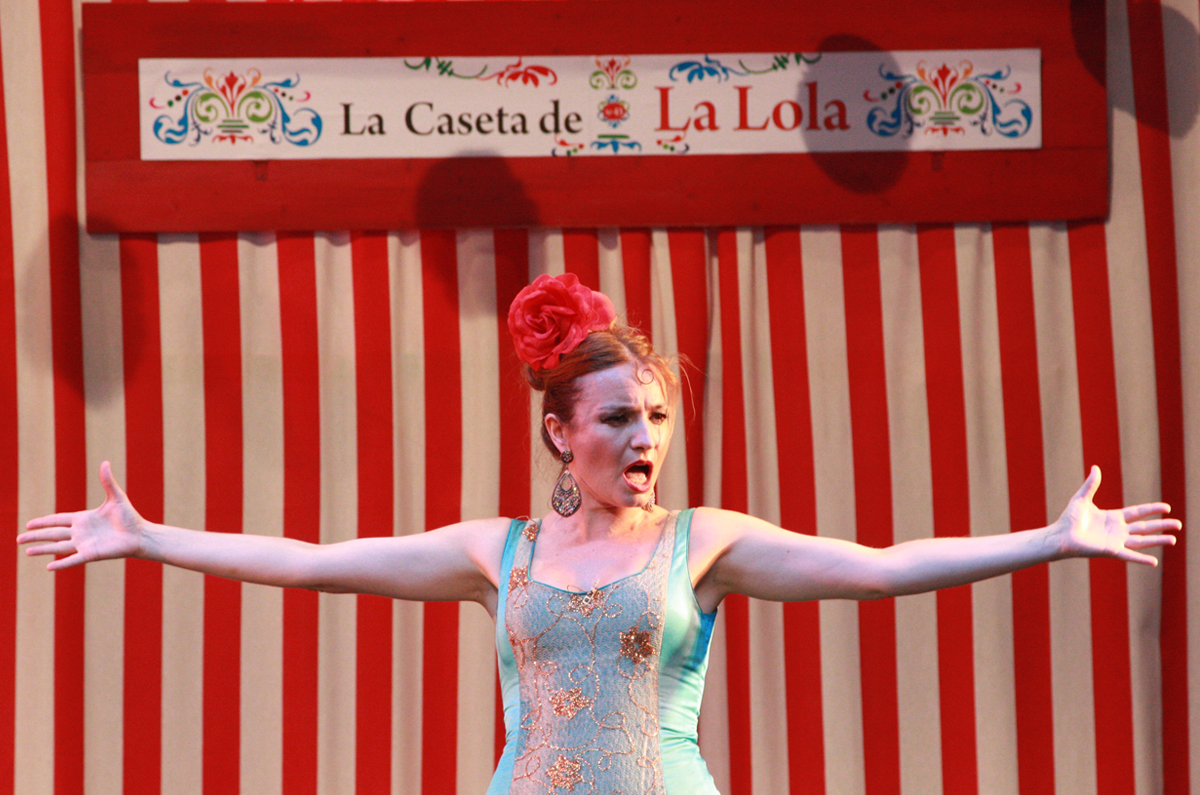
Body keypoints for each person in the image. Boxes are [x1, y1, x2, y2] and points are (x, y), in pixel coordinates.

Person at [18, 273, 1180, 794]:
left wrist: (1047, 538)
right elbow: (317, 564)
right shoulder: (498, 554)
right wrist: (154, 537)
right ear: (559, 431)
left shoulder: (702, 542)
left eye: (659, 416)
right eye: (620, 416)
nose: (646, 437)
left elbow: (877, 570)